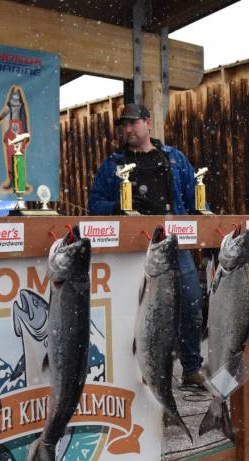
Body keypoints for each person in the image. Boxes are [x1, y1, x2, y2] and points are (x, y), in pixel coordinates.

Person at [88, 103, 206, 386]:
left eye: (132, 123)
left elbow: (195, 201)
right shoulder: (113, 165)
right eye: (123, 125)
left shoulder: (174, 159)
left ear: (148, 123)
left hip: (175, 244)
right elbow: (94, 204)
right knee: (139, 312)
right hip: (133, 252)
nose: (127, 130)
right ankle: (141, 373)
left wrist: (208, 230)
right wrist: (119, 206)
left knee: (191, 303)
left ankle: (191, 368)